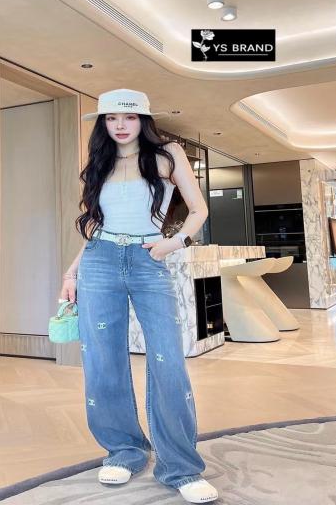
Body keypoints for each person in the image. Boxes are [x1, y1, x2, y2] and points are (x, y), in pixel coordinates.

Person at [59, 89, 218, 503]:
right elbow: (95, 226)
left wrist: (174, 243)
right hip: (100, 260)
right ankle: (124, 451)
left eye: (128, 117)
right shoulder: (101, 161)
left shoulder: (168, 154)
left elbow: (199, 210)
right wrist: (72, 271)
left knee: (168, 360)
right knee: (102, 359)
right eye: (111, 118)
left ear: (143, 120)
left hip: (149, 259)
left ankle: (180, 467)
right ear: (103, 123)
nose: (120, 125)